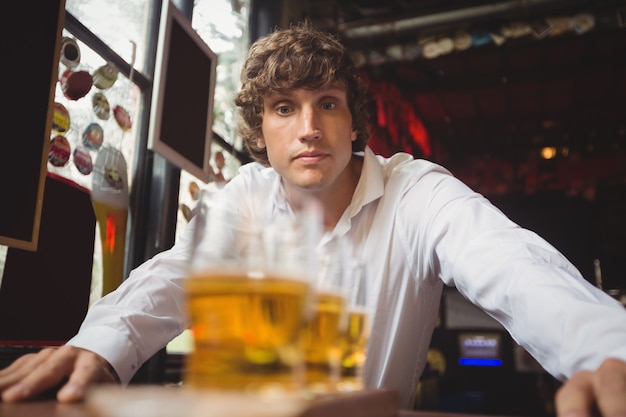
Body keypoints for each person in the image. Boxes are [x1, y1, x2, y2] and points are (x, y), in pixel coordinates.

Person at [1, 22, 626, 417]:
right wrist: (99, 348)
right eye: (283, 108)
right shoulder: (245, 198)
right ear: (258, 134)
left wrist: (607, 351)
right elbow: (175, 276)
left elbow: (513, 263)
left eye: (327, 104)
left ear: (354, 122)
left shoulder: (417, 193)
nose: (309, 128)